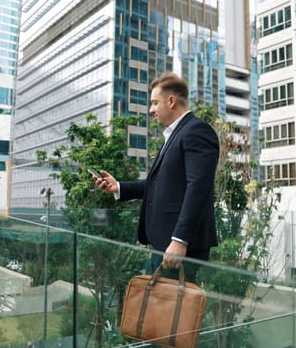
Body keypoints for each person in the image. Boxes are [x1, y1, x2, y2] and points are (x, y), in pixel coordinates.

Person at [93, 72, 219, 282]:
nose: (151, 110)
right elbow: (161, 185)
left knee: (175, 311)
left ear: (171, 101)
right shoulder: (175, 134)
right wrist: (119, 187)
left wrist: (180, 240)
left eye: (154, 103)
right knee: (163, 311)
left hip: (178, 248)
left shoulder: (196, 131)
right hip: (164, 245)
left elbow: (198, 188)